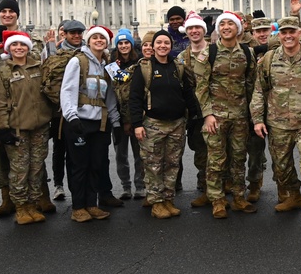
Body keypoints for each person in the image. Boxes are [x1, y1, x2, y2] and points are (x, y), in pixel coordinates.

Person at [251, 16, 301, 220]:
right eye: (284, 32)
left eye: (292, 31)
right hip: (278, 123)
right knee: (281, 167)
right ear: (279, 35)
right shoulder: (269, 59)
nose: (288, 36)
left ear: (300, 33)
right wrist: (258, 119)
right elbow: (259, 90)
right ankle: (293, 197)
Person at [130, 30, 201, 219]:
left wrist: (193, 116)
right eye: (159, 43)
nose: (163, 46)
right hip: (153, 124)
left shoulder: (178, 67)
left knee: (172, 164)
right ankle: (156, 202)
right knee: (153, 165)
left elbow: (187, 93)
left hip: (176, 124)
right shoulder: (144, 68)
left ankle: (168, 199)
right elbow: (135, 98)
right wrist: (137, 123)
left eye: (166, 43)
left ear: (171, 46)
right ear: (152, 46)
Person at [194, 12, 257, 219]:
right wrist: (207, 114)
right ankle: (217, 200)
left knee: (239, 158)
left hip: (239, 116)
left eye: (231, 24)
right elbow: (201, 87)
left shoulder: (247, 53)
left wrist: (251, 115)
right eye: (223, 24)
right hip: (216, 116)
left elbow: (250, 85)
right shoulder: (208, 53)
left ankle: (239, 197)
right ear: (218, 29)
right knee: (216, 160)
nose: (226, 27)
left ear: (238, 28)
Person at [60, 25, 121, 223]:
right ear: (89, 40)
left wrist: (116, 122)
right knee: (79, 165)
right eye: (94, 37)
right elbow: (68, 90)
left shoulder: (109, 65)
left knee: (97, 164)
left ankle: (92, 204)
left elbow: (111, 95)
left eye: (102, 38)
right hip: (79, 121)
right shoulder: (78, 61)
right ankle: (78, 206)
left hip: (100, 123)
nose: (98, 41)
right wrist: (72, 116)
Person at [0, 31, 53, 225]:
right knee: (19, 170)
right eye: (15, 44)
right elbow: (0, 102)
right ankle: (20, 206)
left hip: (39, 126)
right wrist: (2, 128)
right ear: (9, 48)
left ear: (28, 47)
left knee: (36, 169)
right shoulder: (4, 71)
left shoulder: (38, 66)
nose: (19, 48)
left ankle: (33, 203)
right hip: (17, 128)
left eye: (22, 44)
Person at [48, 19, 86, 202]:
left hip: (85, 111)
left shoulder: (91, 54)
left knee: (78, 152)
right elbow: (47, 84)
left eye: (79, 33)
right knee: (59, 149)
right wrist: (60, 102)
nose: (76, 36)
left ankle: (77, 188)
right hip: (60, 112)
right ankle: (58, 185)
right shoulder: (55, 56)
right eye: (73, 33)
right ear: (65, 34)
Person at [178, 12, 211, 207]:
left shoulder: (215, 52)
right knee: (200, 151)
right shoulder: (183, 57)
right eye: (190, 28)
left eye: (197, 27)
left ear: (203, 30)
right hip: (195, 112)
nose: (194, 31)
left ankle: (224, 187)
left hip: (215, 110)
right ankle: (205, 187)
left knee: (220, 151)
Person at [111, 28, 145, 200]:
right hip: (117, 117)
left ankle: (140, 185)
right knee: (120, 154)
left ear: (131, 45)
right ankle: (126, 186)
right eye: (120, 43)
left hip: (136, 116)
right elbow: (114, 93)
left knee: (140, 154)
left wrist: (132, 119)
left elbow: (135, 93)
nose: (124, 46)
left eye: (126, 43)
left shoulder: (139, 63)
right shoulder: (111, 65)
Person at [245, 16, 274, 203]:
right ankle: (254, 183)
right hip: (253, 108)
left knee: (281, 154)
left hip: (277, 109)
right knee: (254, 150)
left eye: (265, 30)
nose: (262, 34)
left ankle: (286, 188)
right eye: (258, 31)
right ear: (252, 33)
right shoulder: (247, 53)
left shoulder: (281, 50)